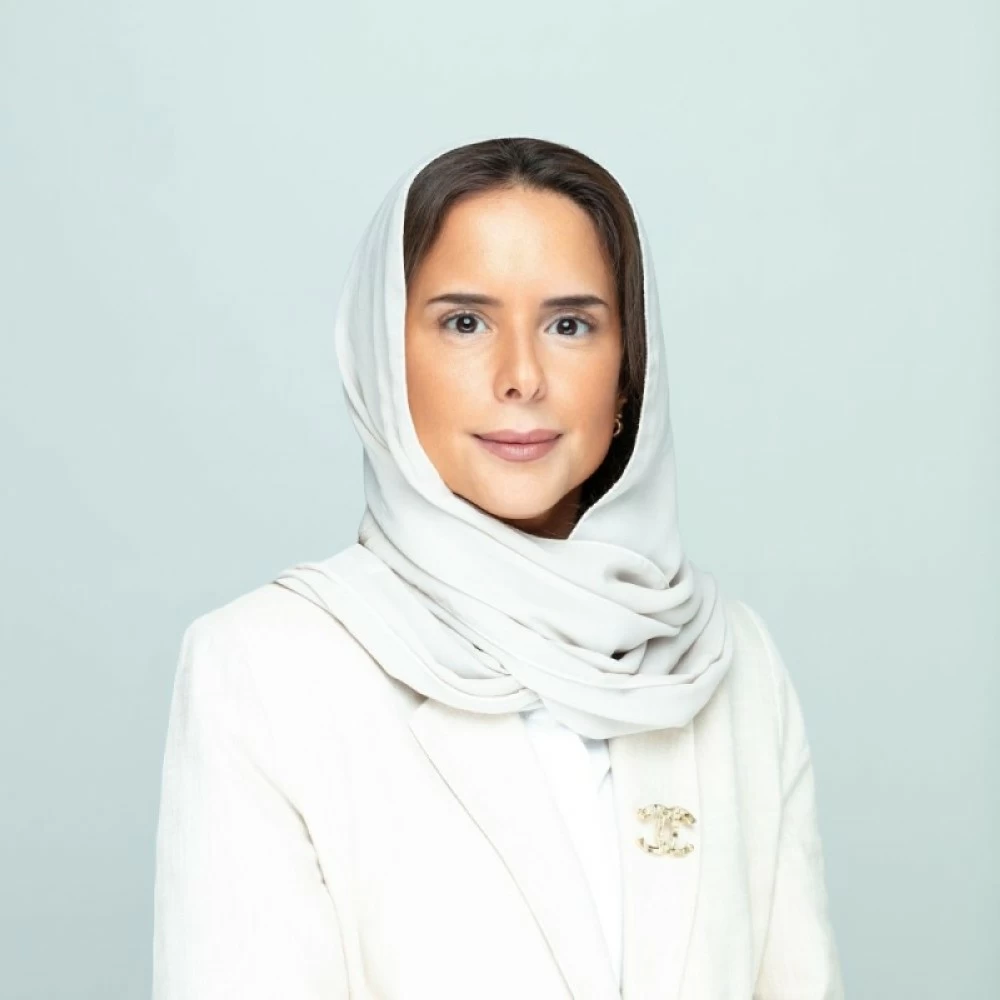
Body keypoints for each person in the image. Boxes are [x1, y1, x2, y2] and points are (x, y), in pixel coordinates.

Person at [152, 136, 845, 999]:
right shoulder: (264, 666)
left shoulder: (731, 661)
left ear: (628, 373)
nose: (521, 377)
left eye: (569, 324)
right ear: (386, 361)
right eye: (465, 322)